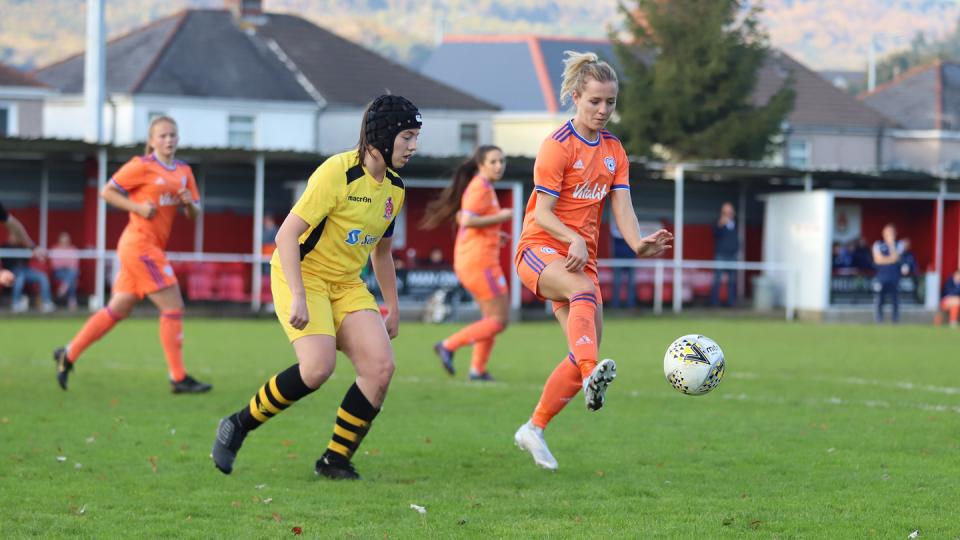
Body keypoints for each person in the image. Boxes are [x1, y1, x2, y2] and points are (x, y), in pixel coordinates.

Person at [211, 94, 419, 480]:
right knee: (317, 367)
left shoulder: (395, 188)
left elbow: (382, 253)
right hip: (303, 274)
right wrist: (299, 296)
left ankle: (334, 460)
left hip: (346, 283)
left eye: (415, 137)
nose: (413, 146)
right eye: (407, 136)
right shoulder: (336, 173)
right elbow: (286, 236)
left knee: (380, 368)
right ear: (383, 135)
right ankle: (237, 424)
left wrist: (393, 306)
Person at [511, 51, 672, 470]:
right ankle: (590, 377)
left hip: (579, 260)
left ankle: (534, 428)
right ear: (576, 98)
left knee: (584, 346)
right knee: (585, 315)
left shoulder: (614, 149)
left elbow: (623, 207)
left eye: (610, 102)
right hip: (539, 250)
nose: (603, 110)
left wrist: (637, 243)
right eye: (595, 101)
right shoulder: (557, 146)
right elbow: (542, 213)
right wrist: (572, 238)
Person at [52, 116, 211, 393]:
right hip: (140, 247)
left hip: (147, 248)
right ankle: (178, 378)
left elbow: (194, 213)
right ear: (152, 141)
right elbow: (107, 191)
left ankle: (69, 353)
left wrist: (189, 204)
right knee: (173, 306)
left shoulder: (184, 171)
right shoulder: (142, 165)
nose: (169, 140)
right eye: (162, 135)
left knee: (119, 308)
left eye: (172, 135)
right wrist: (137, 208)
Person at [422, 145, 512, 381]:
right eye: (493, 162)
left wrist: (496, 233)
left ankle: (477, 370)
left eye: (502, 161)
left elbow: (467, 220)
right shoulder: (480, 188)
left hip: (475, 260)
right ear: (481, 165)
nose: (499, 166)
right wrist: (501, 217)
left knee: (490, 318)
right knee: (500, 319)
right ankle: (448, 345)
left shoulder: (483, 187)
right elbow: (468, 221)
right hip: (480, 263)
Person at [0, 201, 52, 312]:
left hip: (24, 270)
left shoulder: (22, 246)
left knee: (42, 277)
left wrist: (33, 247)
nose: (15, 237)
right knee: (19, 277)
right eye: (13, 235)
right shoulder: (5, 246)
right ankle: (16, 303)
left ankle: (47, 303)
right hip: (14, 270)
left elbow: (12, 223)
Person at [872, 223, 902, 323]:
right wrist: (891, 259)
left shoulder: (898, 244)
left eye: (891, 232)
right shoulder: (878, 244)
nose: (889, 234)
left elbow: (896, 257)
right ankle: (879, 320)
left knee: (895, 300)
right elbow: (877, 260)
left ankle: (895, 320)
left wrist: (891, 245)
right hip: (881, 277)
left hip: (894, 277)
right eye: (887, 232)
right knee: (879, 299)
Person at [711, 202, 739, 307]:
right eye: (726, 211)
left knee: (732, 280)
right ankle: (714, 302)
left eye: (730, 211)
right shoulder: (718, 222)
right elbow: (714, 233)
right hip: (721, 254)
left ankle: (731, 302)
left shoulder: (735, 222)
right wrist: (720, 224)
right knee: (717, 279)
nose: (728, 213)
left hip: (733, 255)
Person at [609, 218, 636, 309]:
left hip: (630, 260)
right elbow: (616, 233)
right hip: (618, 260)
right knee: (617, 284)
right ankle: (615, 305)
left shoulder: (632, 231)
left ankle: (630, 305)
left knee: (631, 284)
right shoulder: (615, 231)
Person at [50, 231, 81, 310]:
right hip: (58, 272)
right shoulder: (55, 249)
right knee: (72, 277)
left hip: (70, 271)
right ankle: (72, 300)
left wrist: (65, 263)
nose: (65, 243)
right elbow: (55, 264)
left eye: (66, 241)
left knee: (73, 272)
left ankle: (64, 287)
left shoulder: (73, 249)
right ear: (59, 241)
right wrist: (66, 263)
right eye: (63, 241)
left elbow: (75, 263)